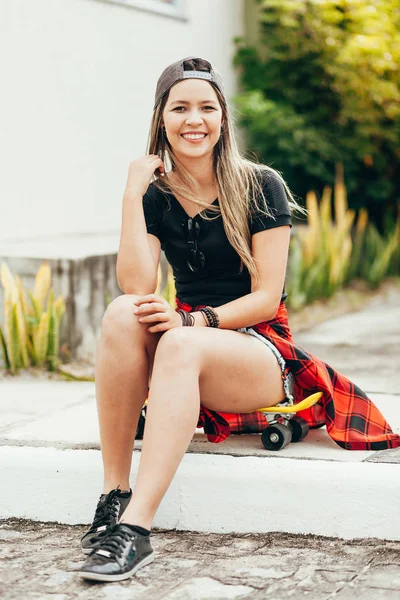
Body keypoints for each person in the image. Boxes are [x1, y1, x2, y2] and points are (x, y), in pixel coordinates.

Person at [77, 56, 399, 583]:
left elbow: (267, 297)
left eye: (206, 107)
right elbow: (137, 285)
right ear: (161, 119)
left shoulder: (259, 185)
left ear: (222, 118)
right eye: (179, 108)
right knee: (121, 313)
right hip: (190, 337)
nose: (194, 120)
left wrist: (197, 322)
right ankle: (114, 495)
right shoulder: (156, 195)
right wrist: (132, 194)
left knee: (180, 343)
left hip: (256, 346)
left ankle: (135, 531)